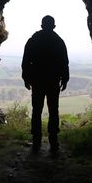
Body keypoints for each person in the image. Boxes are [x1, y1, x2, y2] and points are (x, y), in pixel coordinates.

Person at [21, 15, 69, 153]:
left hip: (38, 80)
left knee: (37, 110)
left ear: (41, 25)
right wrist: (65, 79)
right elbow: (64, 62)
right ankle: (53, 142)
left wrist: (26, 78)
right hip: (53, 80)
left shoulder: (34, 40)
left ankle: (36, 141)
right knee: (53, 110)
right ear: (53, 26)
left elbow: (26, 61)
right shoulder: (58, 41)